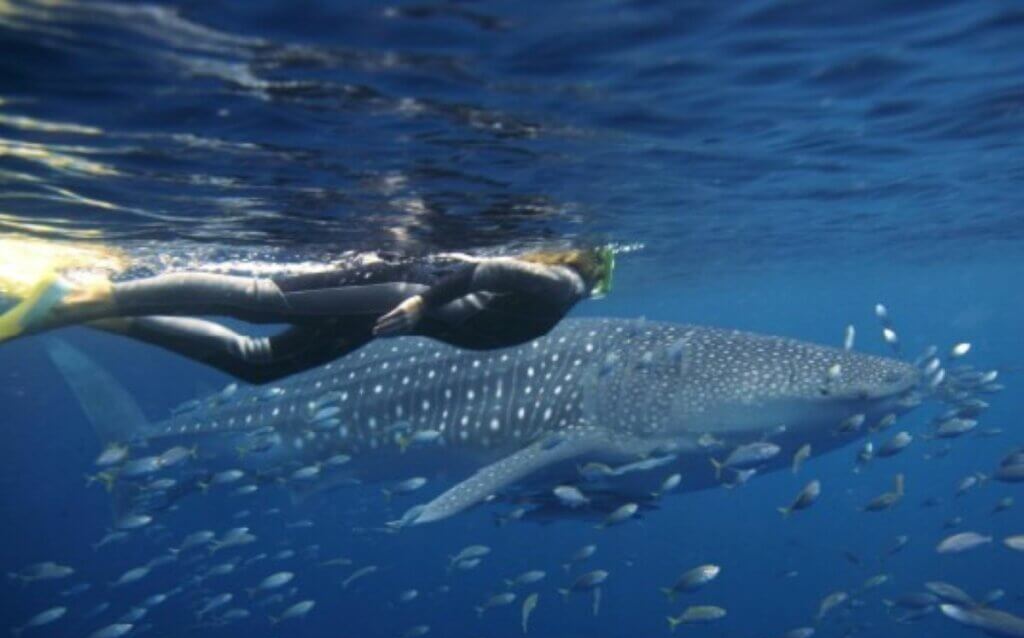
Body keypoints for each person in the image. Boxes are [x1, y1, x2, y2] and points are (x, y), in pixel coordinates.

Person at [0, 247, 614, 383]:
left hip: (397, 315)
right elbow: (486, 273)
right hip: (396, 295)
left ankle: (102, 315)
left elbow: (487, 278)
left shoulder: (561, 289)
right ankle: (93, 295)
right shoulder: (561, 284)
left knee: (260, 364)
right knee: (262, 300)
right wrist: (423, 302)